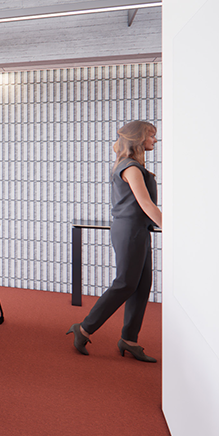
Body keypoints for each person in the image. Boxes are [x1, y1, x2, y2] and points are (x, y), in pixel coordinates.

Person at [68, 121, 162, 363]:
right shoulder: (130, 167)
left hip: (139, 229)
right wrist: (171, 228)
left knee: (142, 285)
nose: (155, 140)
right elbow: (146, 204)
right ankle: (85, 328)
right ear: (139, 139)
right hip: (129, 231)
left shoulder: (134, 165)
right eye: (151, 136)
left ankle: (129, 340)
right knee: (124, 283)